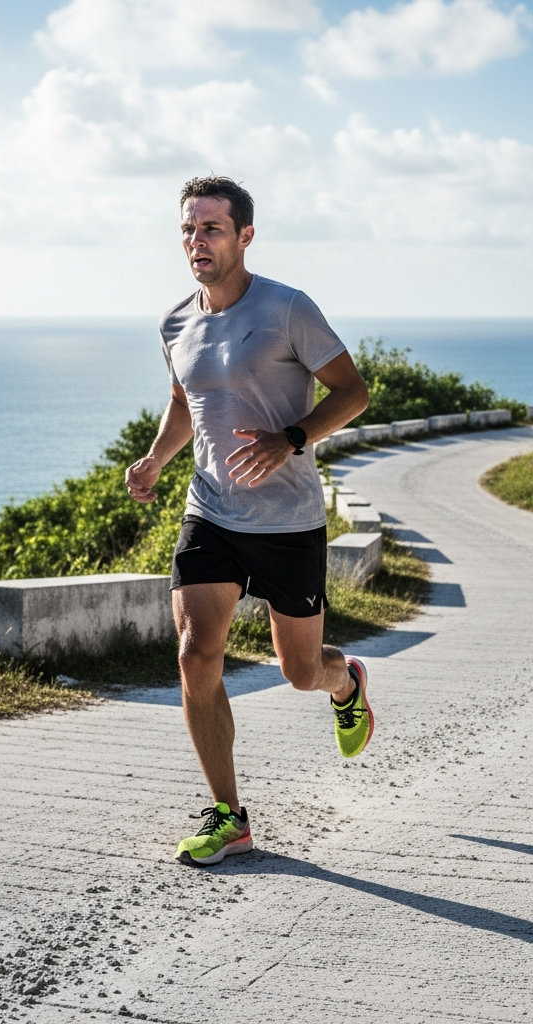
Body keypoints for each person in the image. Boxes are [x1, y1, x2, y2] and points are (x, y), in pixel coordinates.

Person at [125, 176, 372, 867]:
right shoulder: (175, 322)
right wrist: (153, 460)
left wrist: (291, 437)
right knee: (195, 654)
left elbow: (353, 393)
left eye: (211, 228)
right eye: (187, 230)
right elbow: (185, 403)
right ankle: (228, 816)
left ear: (244, 237)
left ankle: (345, 683)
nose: (196, 241)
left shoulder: (288, 309)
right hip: (210, 511)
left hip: (288, 520)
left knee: (299, 671)